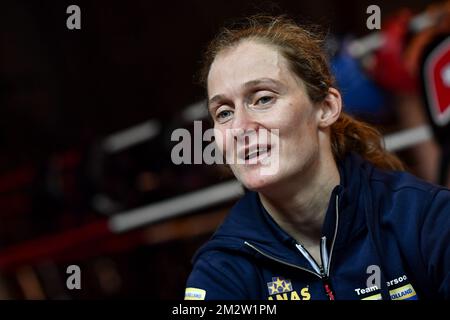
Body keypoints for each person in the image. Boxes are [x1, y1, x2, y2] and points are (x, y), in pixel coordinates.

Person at [184, 15, 450, 300]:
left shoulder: (424, 218)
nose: (239, 128)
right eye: (224, 113)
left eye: (263, 99)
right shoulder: (223, 270)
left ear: (326, 107)